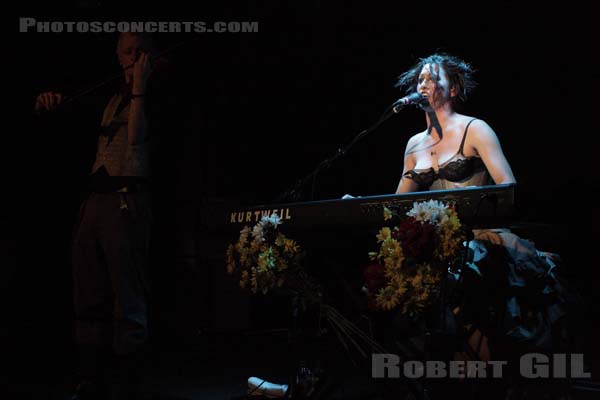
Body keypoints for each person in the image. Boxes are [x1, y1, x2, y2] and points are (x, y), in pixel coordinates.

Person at [392, 53, 579, 397]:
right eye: (419, 80)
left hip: (481, 240)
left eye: (432, 79)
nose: (423, 85)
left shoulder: (474, 129)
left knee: (475, 299)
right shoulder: (414, 144)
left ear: (454, 89)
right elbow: (397, 204)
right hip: (438, 245)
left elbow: (507, 188)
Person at [35, 32, 159, 400]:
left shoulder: (155, 94)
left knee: (127, 300)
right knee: (87, 293)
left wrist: (140, 88)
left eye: (136, 52)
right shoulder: (108, 96)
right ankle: (89, 381)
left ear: (149, 56)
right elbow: (70, 120)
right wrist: (49, 105)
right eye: (123, 52)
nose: (128, 59)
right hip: (95, 201)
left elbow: (136, 141)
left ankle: (128, 388)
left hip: (127, 200)